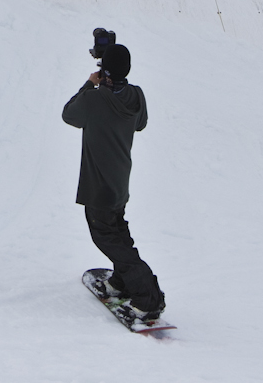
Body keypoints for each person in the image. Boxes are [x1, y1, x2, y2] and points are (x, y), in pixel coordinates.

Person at [62, 30, 165, 322]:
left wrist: (90, 84)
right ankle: (121, 282)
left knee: (108, 238)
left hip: (98, 187)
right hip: (120, 181)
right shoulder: (136, 95)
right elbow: (140, 123)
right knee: (118, 233)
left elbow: (69, 115)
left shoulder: (94, 100)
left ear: (103, 69)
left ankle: (149, 299)